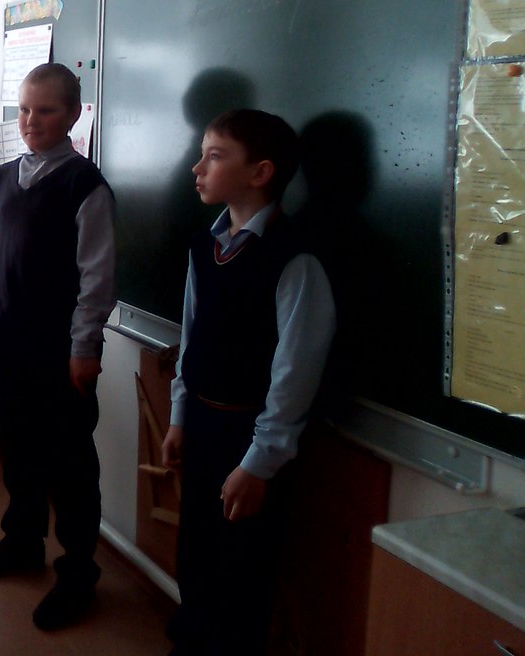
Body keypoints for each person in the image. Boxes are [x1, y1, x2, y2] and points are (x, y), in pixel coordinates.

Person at [161, 109, 335, 656]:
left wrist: (261, 460)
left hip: (249, 436)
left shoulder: (293, 257)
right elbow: (191, 336)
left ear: (260, 172)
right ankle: (192, 635)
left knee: (242, 562)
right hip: (202, 422)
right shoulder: (204, 245)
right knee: (196, 546)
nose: (197, 168)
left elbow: (295, 368)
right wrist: (179, 416)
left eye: (214, 157)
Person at [0, 62, 116, 632]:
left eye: (46, 110)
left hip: (62, 349)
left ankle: (78, 571)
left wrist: (84, 346)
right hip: (12, 338)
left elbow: (97, 276)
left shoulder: (85, 185)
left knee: (70, 461)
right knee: (20, 446)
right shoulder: (3, 179)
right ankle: (22, 541)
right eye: (24, 109)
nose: (31, 121)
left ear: (73, 115)